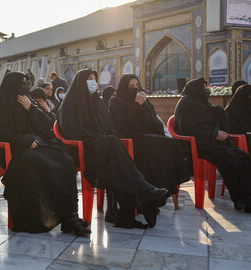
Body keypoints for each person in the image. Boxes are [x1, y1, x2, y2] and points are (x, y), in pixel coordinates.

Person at [58, 69, 170, 229]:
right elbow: (72, 132)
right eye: (89, 79)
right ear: (79, 82)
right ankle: (144, 191)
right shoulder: (70, 104)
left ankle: (125, 213)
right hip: (83, 149)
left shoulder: (96, 101)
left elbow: (109, 126)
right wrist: (98, 138)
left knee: (118, 161)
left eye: (94, 79)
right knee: (113, 147)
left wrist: (103, 136)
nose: (93, 82)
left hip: (101, 146)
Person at [0, 71, 90, 235]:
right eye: (21, 83)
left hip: (38, 146)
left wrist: (31, 109)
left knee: (65, 161)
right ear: (12, 86)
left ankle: (71, 216)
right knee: (42, 164)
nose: (25, 86)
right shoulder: (1, 105)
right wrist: (24, 141)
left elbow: (48, 127)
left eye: (26, 82)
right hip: (17, 151)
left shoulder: (28, 102)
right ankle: (62, 217)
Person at [174, 78, 251, 213]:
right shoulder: (186, 104)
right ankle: (242, 200)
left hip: (212, 144)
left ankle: (248, 199)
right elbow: (188, 129)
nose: (207, 90)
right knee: (230, 159)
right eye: (204, 88)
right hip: (199, 146)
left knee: (240, 157)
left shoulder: (200, 102)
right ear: (196, 89)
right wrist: (214, 135)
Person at [109, 74, 190, 224]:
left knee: (170, 144)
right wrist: (136, 105)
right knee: (154, 147)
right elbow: (122, 124)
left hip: (146, 136)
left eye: (136, 85)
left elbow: (153, 120)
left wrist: (144, 104)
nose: (134, 89)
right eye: (131, 86)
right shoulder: (116, 101)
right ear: (123, 87)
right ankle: (146, 200)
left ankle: (158, 194)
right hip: (130, 139)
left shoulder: (143, 99)